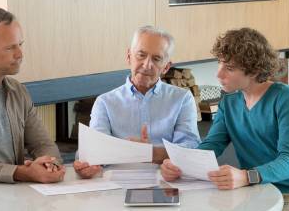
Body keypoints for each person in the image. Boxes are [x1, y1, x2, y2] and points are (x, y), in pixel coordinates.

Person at [161, 27, 289, 211]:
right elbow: (211, 145)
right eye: (220, 63)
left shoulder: (286, 98)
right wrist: (181, 165)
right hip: (253, 192)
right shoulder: (229, 102)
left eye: (229, 67)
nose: (218, 73)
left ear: (254, 70)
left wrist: (247, 176)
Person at [74, 25, 201, 178]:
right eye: (141, 55)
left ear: (166, 67)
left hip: (166, 181)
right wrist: (89, 163)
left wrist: (149, 153)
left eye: (156, 59)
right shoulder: (105, 102)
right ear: (129, 56)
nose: (147, 65)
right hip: (116, 185)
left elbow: (189, 148)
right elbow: (94, 149)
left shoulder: (182, 99)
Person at [0, 7, 65, 183]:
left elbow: (44, 145)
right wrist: (20, 172)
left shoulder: (19, 92)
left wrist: (49, 164)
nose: (20, 54)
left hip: (16, 197)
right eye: (10, 48)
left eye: (20, 44)